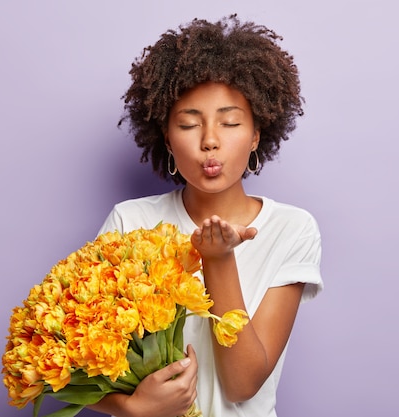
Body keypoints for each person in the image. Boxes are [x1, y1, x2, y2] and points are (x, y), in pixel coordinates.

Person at [88, 14, 323, 417]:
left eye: (230, 122)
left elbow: (242, 384)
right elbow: (83, 355)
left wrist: (218, 259)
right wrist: (132, 409)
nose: (210, 141)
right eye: (188, 123)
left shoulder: (292, 229)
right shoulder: (130, 222)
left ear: (255, 135)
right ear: (166, 137)